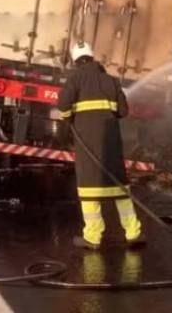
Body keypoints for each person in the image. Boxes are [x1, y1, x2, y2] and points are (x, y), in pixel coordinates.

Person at [57, 41, 143, 250]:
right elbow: (123, 111)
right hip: (111, 143)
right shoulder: (111, 81)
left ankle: (93, 237)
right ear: (92, 57)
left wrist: (70, 118)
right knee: (120, 189)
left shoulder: (75, 79)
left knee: (89, 189)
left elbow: (63, 106)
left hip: (87, 144)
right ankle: (133, 233)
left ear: (76, 60)